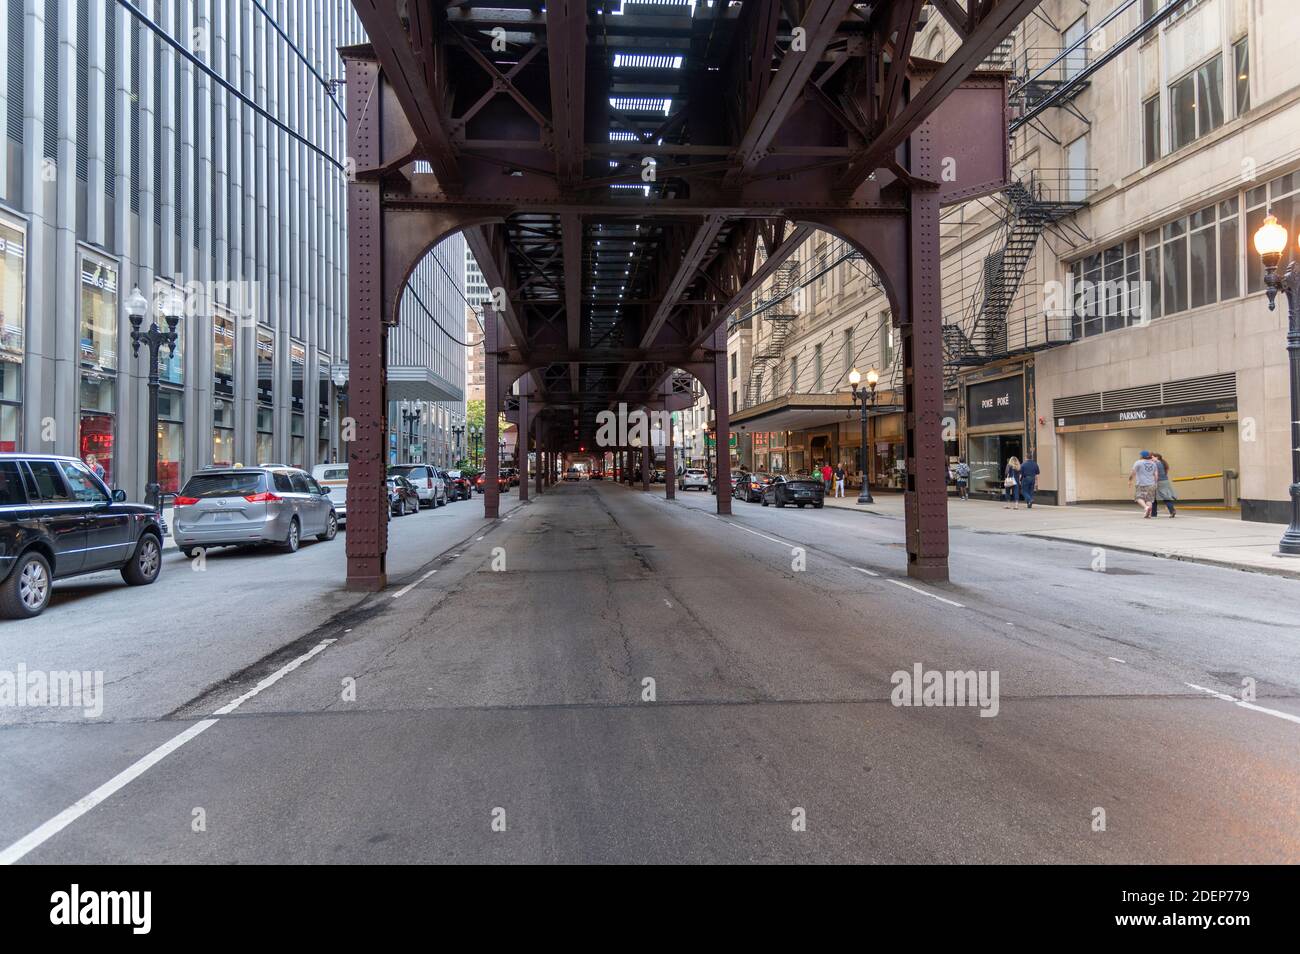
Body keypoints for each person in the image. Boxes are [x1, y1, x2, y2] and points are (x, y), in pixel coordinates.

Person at [1128, 450, 1159, 518]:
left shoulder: (1138, 462)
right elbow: (1156, 474)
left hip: (1141, 483)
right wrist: (1156, 483)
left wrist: (1130, 480)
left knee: (1138, 497)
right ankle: (1148, 514)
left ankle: (1146, 507)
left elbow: (1133, 472)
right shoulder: (1153, 463)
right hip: (1151, 484)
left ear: (1142, 456)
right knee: (1149, 499)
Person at [1151, 452, 1177, 518]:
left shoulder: (1156, 464)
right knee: (1165, 496)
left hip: (1159, 482)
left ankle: (1154, 513)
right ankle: (1171, 510)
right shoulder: (1163, 463)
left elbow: (1154, 474)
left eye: (1152, 457)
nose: (1151, 459)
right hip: (1165, 481)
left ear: (1157, 457)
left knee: (1154, 498)